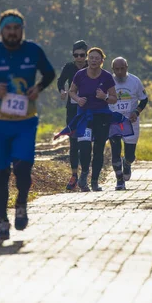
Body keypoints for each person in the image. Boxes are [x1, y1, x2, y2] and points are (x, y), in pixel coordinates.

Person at [0, 9, 55, 241]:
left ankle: (22, 204)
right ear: (1, 30)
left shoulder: (33, 51)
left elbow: (49, 73)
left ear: (22, 30)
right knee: (1, 173)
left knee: (23, 168)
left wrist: (38, 88)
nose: (13, 32)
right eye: (8, 28)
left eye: (17, 28)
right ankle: (2, 221)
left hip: (25, 122)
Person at [68, 47, 118, 192]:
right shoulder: (80, 74)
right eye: (91, 58)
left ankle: (95, 180)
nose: (93, 60)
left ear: (102, 61)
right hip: (84, 116)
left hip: (101, 116)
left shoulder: (107, 77)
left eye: (97, 58)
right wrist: (78, 99)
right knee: (84, 148)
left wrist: (105, 97)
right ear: (87, 60)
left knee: (98, 148)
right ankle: (84, 175)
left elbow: (114, 99)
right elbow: (71, 91)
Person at [109, 57, 148, 190]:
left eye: (122, 69)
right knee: (115, 151)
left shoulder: (135, 81)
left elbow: (144, 99)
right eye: (117, 69)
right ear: (113, 69)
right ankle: (119, 180)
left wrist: (136, 112)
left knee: (130, 154)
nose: (120, 72)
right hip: (114, 121)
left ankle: (127, 163)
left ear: (127, 67)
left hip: (130, 121)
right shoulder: (107, 81)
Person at [57, 40, 88, 191]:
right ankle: (74, 175)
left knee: (86, 143)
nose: (79, 58)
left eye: (82, 55)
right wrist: (62, 91)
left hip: (88, 109)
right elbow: (60, 82)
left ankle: (85, 175)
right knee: (74, 143)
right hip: (72, 109)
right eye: (76, 55)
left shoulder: (92, 66)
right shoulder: (69, 67)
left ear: (86, 55)